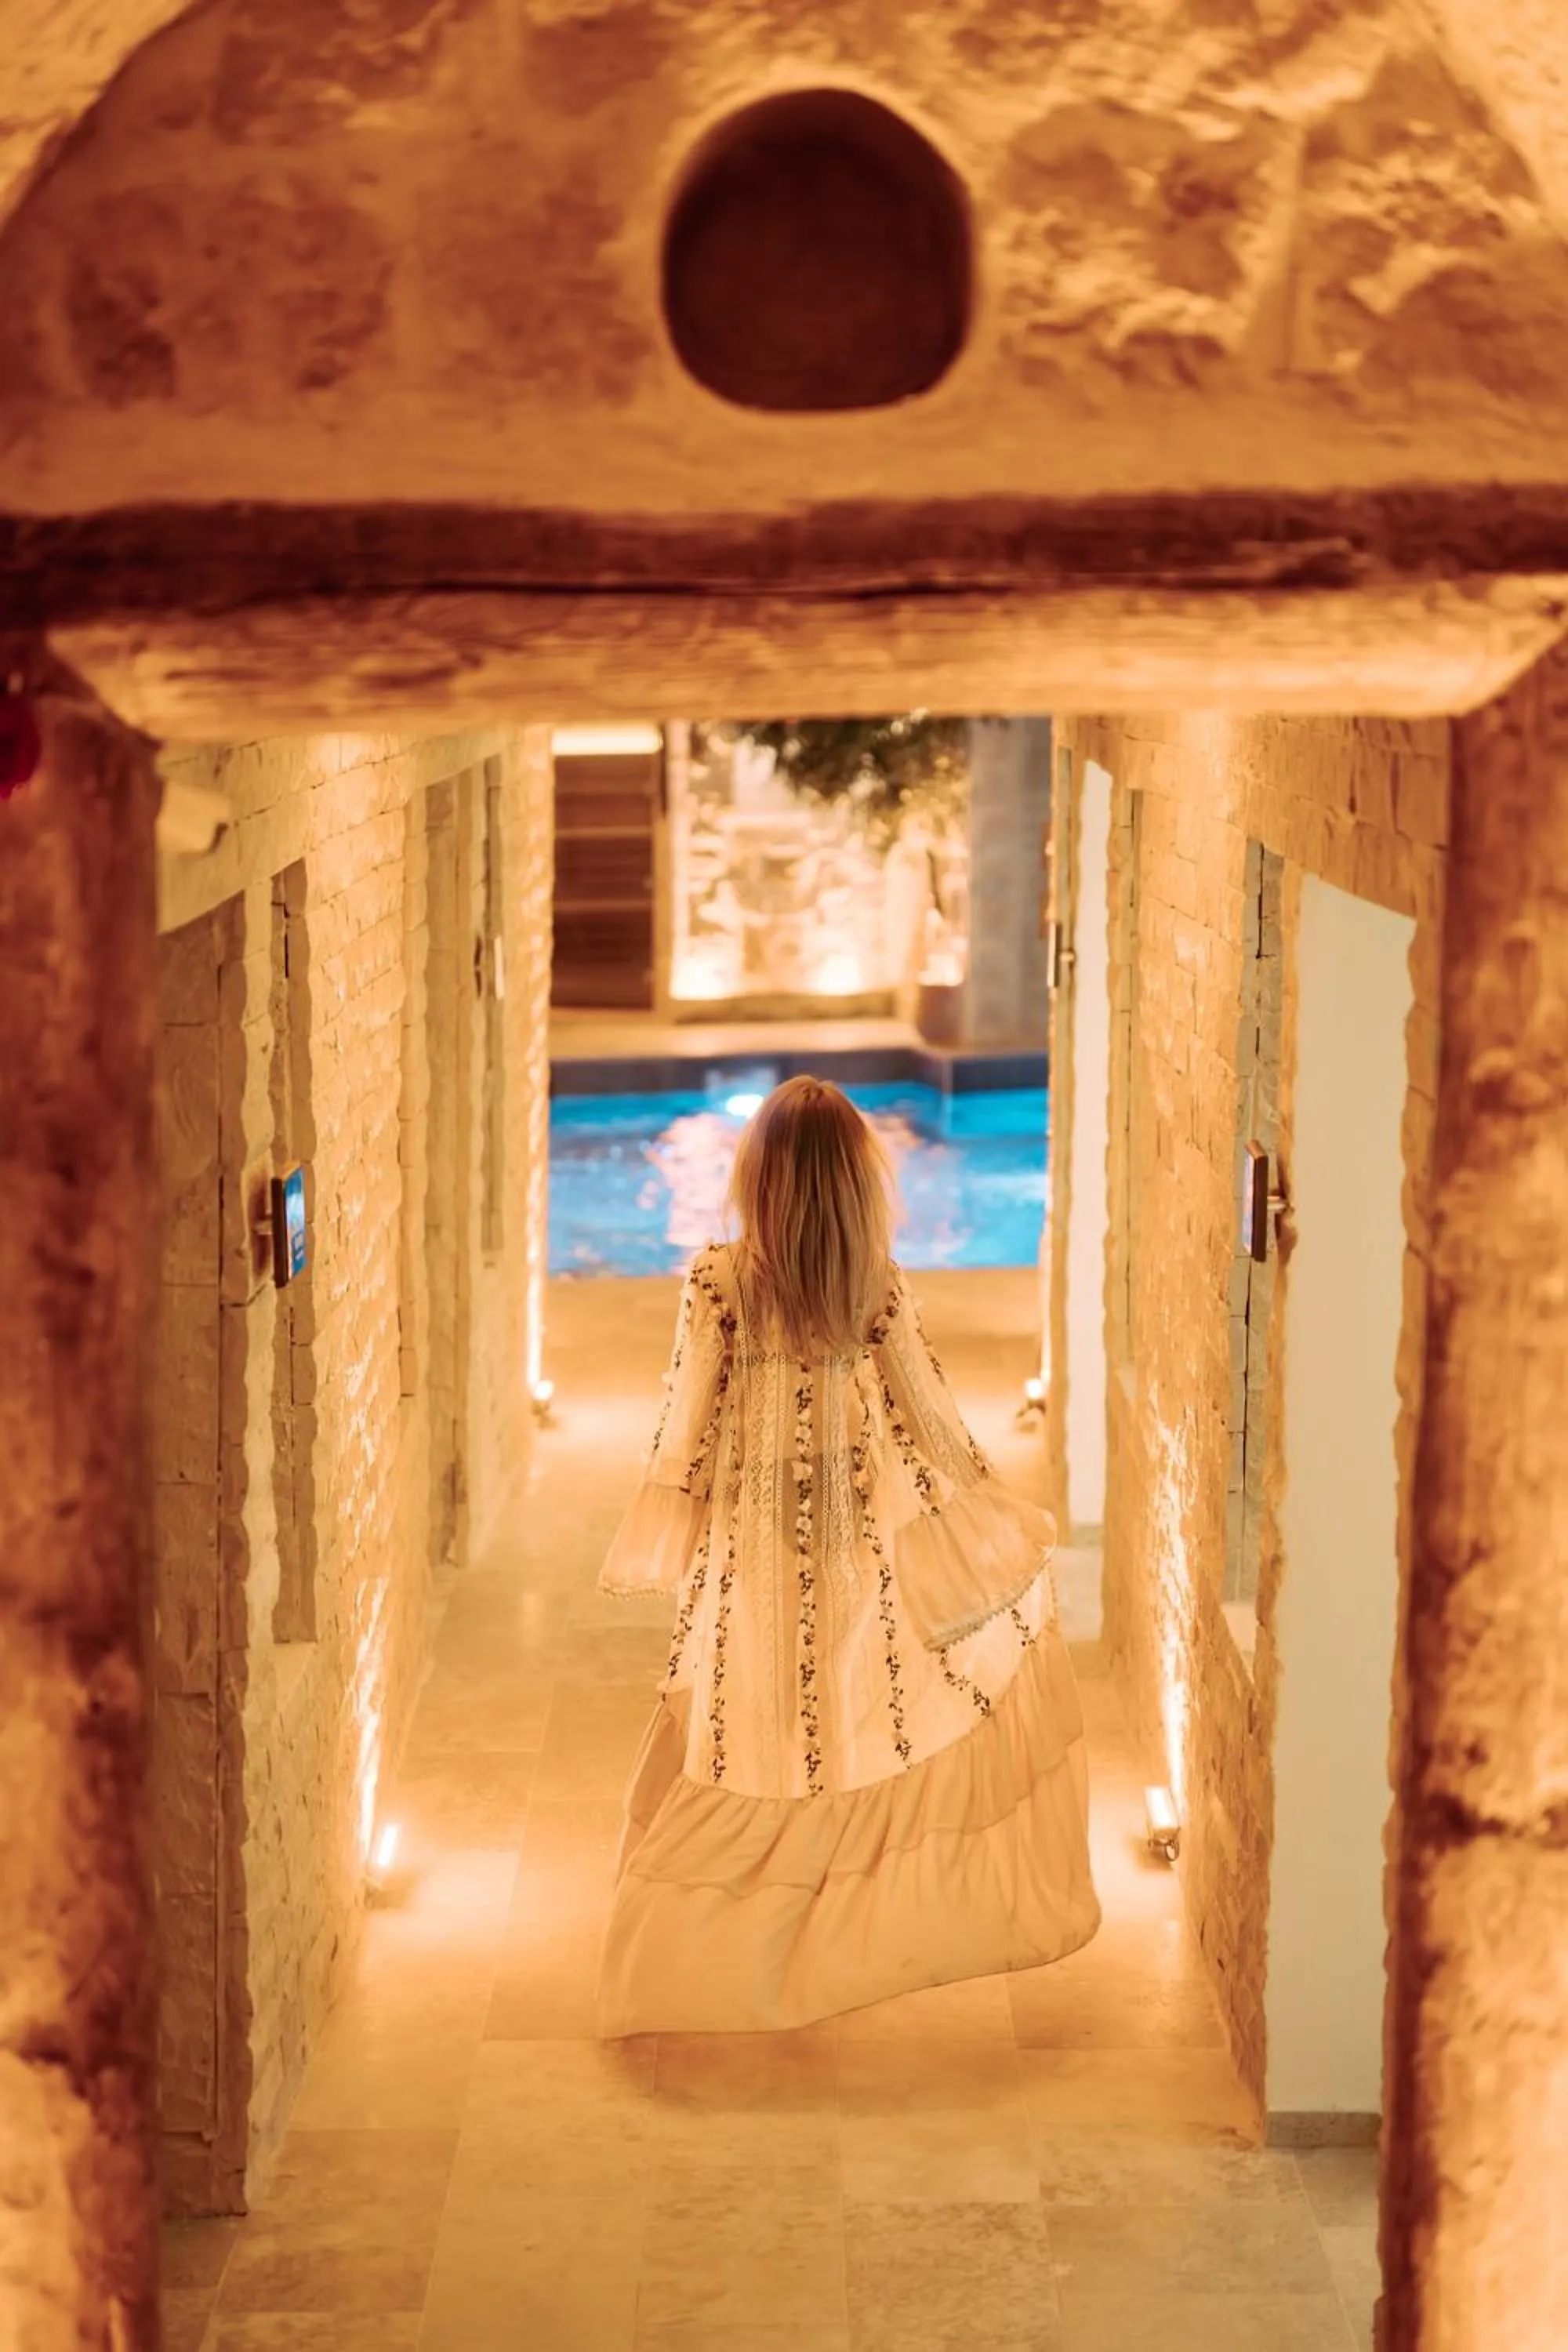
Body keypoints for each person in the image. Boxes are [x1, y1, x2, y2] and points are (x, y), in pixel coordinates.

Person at [596, 1075, 1100, 2035]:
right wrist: (989, 1512)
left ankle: (710, 1944)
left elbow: (688, 1430)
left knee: (751, 1720)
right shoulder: (875, 1282)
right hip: (851, 1538)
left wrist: (676, 1522)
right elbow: (930, 1421)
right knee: (845, 1711)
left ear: (762, 1178)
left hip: (750, 1543)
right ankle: (822, 1918)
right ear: (852, 1182)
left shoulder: (717, 1280)